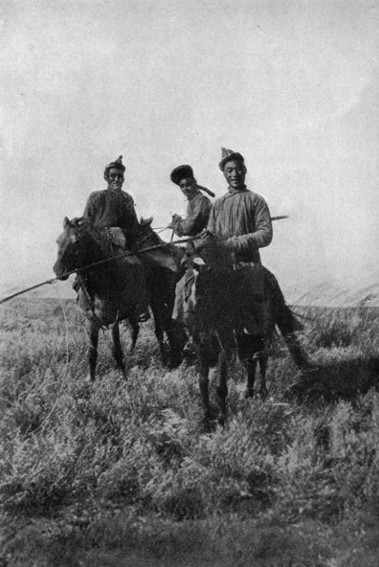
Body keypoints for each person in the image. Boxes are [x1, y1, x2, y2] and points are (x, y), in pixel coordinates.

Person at [204, 147, 311, 368]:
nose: (234, 174)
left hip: (248, 264)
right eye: (229, 170)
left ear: (245, 170)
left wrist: (234, 242)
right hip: (223, 267)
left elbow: (265, 234)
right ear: (224, 174)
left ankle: (295, 355)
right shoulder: (217, 206)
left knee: (258, 308)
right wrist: (208, 240)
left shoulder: (256, 201)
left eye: (237, 169)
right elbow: (212, 235)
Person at [78, 155, 149, 321]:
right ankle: (84, 303)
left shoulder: (127, 199)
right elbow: (86, 224)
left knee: (136, 264)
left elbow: (133, 227)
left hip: (119, 247)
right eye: (113, 176)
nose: (117, 179)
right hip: (97, 248)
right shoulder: (95, 197)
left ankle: (140, 306)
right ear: (106, 177)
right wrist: (102, 233)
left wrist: (120, 232)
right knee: (80, 266)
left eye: (120, 176)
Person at [168, 164, 213, 238]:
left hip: (205, 242)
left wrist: (175, 225)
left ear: (194, 183)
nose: (185, 188)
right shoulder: (192, 201)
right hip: (197, 242)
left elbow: (190, 227)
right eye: (182, 186)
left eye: (188, 184)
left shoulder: (201, 200)